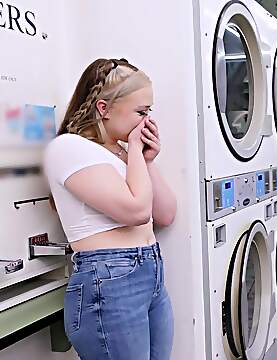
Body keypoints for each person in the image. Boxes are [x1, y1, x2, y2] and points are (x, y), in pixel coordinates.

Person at [43, 58, 177, 359]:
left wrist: (146, 158)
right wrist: (137, 157)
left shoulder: (124, 153)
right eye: (140, 112)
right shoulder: (69, 147)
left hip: (150, 272)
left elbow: (166, 214)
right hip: (110, 280)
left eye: (148, 112)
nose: (146, 121)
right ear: (103, 109)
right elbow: (136, 211)